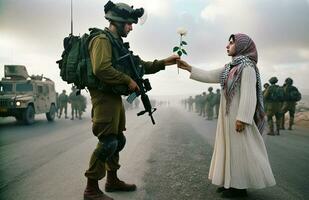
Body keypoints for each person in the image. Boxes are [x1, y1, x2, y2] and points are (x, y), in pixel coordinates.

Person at [83, 1, 179, 200]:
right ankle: (91, 188)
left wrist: (164, 63)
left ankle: (112, 180)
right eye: (128, 23)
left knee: (118, 140)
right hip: (103, 97)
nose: (131, 27)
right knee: (108, 142)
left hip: (114, 97)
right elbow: (101, 69)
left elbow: (138, 66)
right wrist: (128, 81)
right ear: (117, 22)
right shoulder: (101, 40)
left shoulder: (116, 43)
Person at [177, 33, 276, 198]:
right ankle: (229, 182)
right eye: (228, 43)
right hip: (227, 117)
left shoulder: (248, 67)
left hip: (238, 118)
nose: (227, 46)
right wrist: (188, 67)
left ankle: (239, 187)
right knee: (228, 148)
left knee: (239, 151)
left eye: (231, 43)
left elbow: (249, 95)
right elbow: (209, 75)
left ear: (242, 46)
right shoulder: (230, 67)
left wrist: (243, 118)